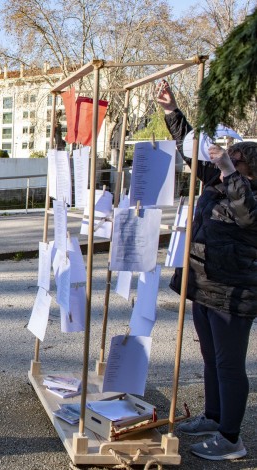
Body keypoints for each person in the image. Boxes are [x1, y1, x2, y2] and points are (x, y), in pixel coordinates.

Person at [157, 79, 257, 461]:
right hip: (205, 285)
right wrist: (172, 111)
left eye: (238, 161)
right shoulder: (219, 182)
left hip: (234, 292)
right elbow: (191, 152)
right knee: (212, 359)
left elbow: (248, 216)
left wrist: (231, 172)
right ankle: (214, 417)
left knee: (230, 365)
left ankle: (232, 439)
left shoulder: (246, 193)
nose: (225, 162)